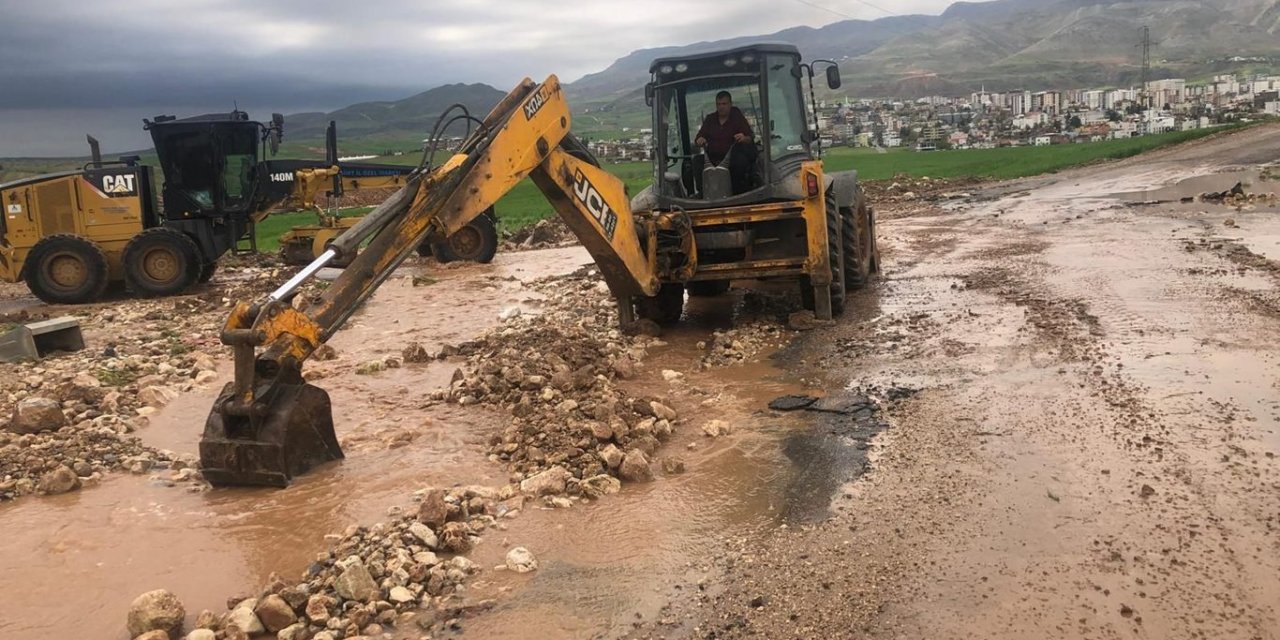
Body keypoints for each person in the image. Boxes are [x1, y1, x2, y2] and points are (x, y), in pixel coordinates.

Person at [695, 91, 758, 194]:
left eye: (724, 104)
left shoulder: (737, 117)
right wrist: (700, 140)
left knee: (740, 162)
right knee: (696, 161)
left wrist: (743, 138)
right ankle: (703, 193)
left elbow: (750, 136)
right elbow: (699, 137)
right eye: (718, 104)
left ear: (730, 104)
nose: (721, 107)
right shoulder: (710, 119)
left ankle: (737, 193)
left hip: (732, 158)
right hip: (712, 159)